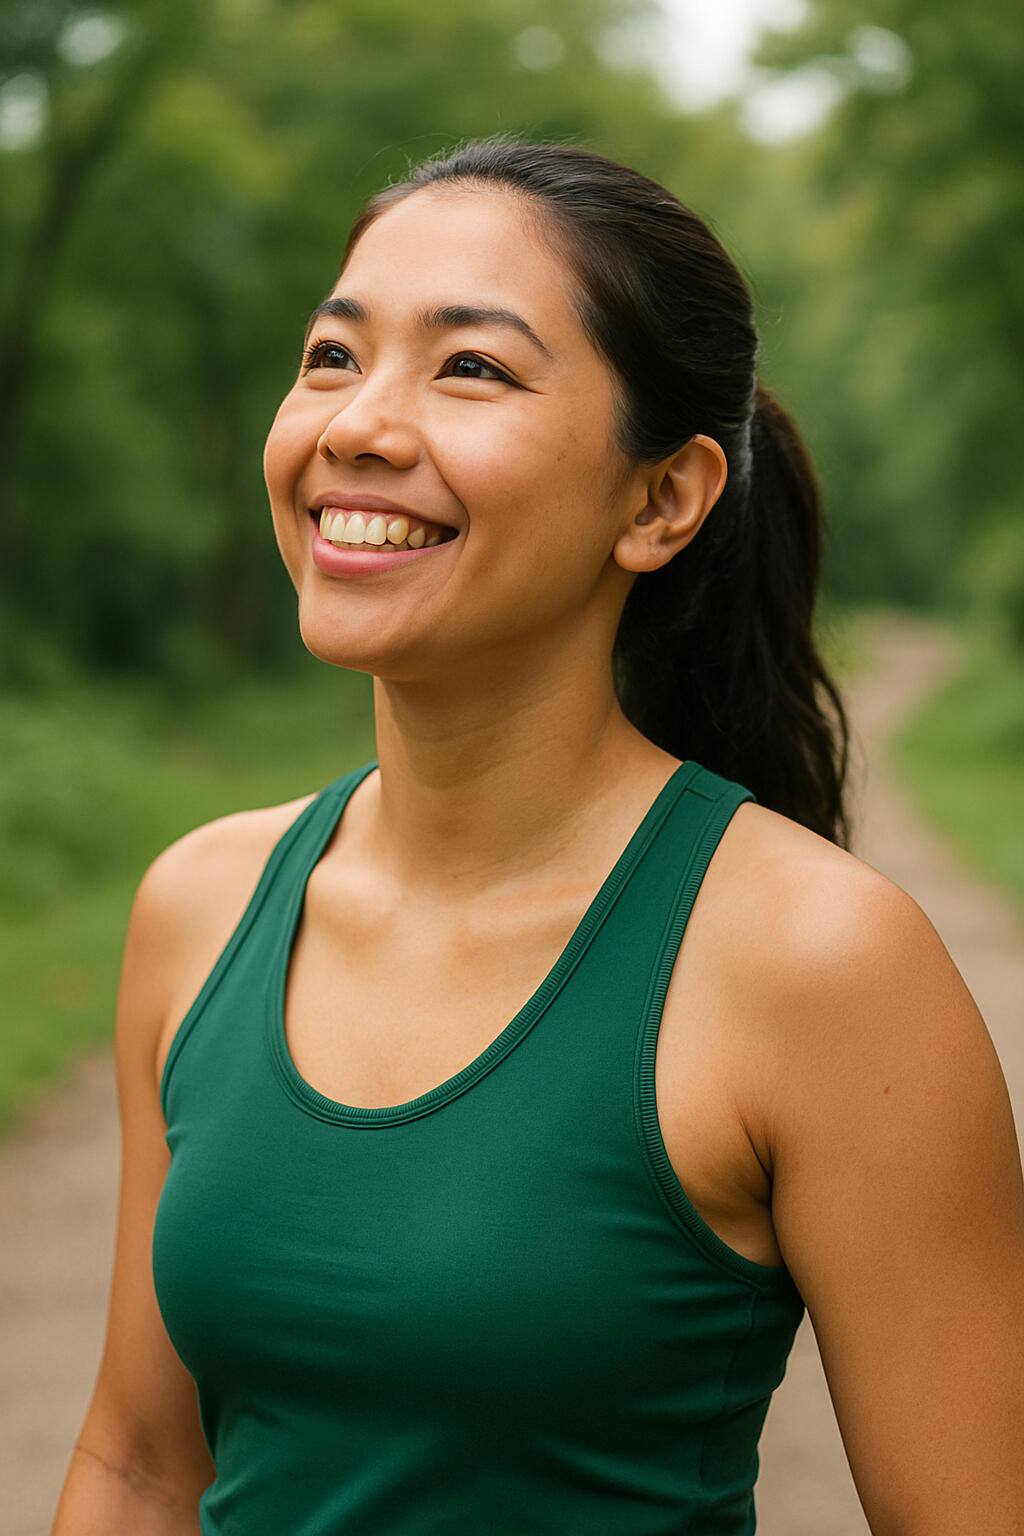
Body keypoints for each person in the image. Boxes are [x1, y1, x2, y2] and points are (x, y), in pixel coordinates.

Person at [52, 136, 1023, 1535]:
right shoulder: (201, 902)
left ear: (662, 499)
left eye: (471, 368)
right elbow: (142, 1462)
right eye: (333, 355)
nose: (359, 425)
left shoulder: (822, 962)